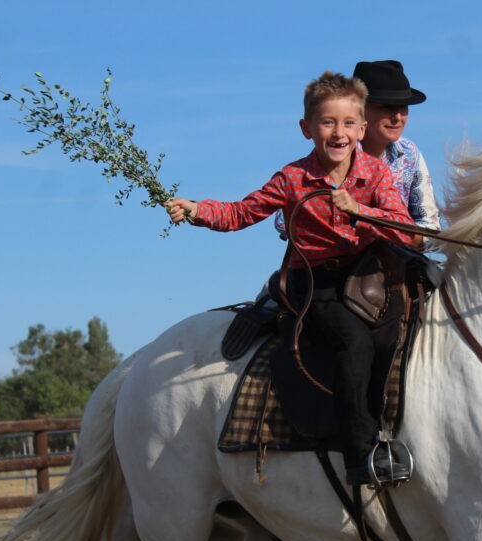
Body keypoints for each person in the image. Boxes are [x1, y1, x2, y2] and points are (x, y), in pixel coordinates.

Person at [165, 71, 416, 487]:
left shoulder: (375, 174)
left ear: (362, 129)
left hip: (368, 276)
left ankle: (399, 430)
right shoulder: (291, 178)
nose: (339, 133)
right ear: (307, 128)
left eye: (348, 124)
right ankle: (359, 455)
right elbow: (241, 213)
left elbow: (403, 229)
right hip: (315, 283)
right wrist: (197, 210)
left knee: (400, 332)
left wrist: (360, 211)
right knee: (353, 342)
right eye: (328, 123)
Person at [274, 59, 440, 239]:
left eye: (403, 107)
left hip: (400, 257)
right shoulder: (334, 153)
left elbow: (430, 226)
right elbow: (284, 222)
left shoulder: (409, 152)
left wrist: (404, 238)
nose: (398, 117)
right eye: (385, 108)